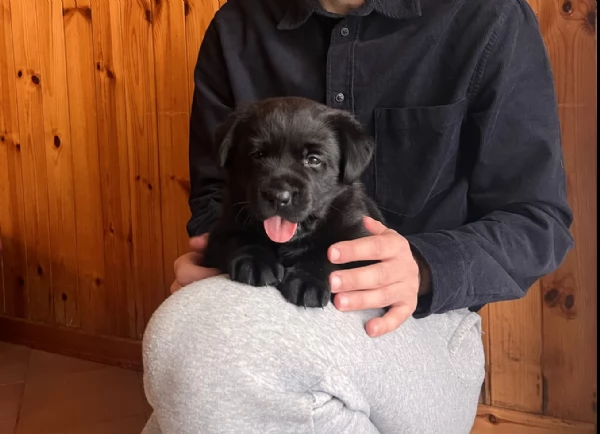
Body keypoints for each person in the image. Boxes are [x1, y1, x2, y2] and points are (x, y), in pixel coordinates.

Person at [141, 0, 573, 432]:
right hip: (257, 291)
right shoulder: (237, 25)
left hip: (417, 323)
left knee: (221, 368)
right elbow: (214, 191)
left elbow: (536, 221)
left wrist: (422, 266)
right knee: (176, 340)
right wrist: (216, 254)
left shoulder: (487, 16)